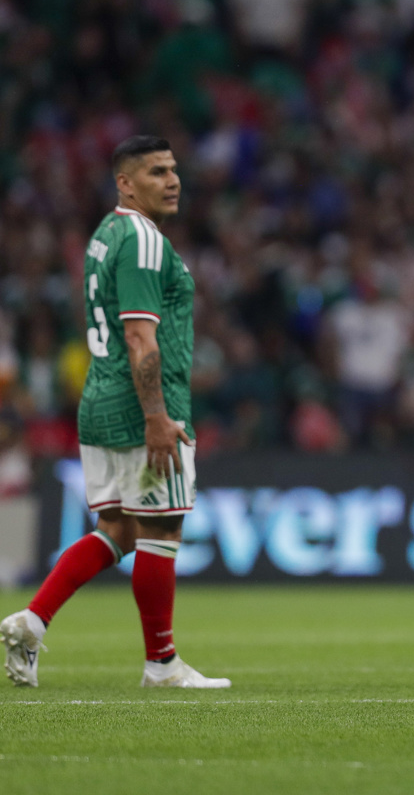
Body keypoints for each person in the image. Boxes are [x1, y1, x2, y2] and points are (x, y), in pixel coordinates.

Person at [0, 136, 230, 689]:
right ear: (125, 183)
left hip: (99, 401)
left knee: (118, 529)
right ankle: (163, 663)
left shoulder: (105, 234)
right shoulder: (144, 240)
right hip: (138, 406)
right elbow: (138, 336)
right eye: (155, 172)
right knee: (161, 529)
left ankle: (31, 622)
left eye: (173, 169)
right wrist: (156, 414)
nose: (172, 180)